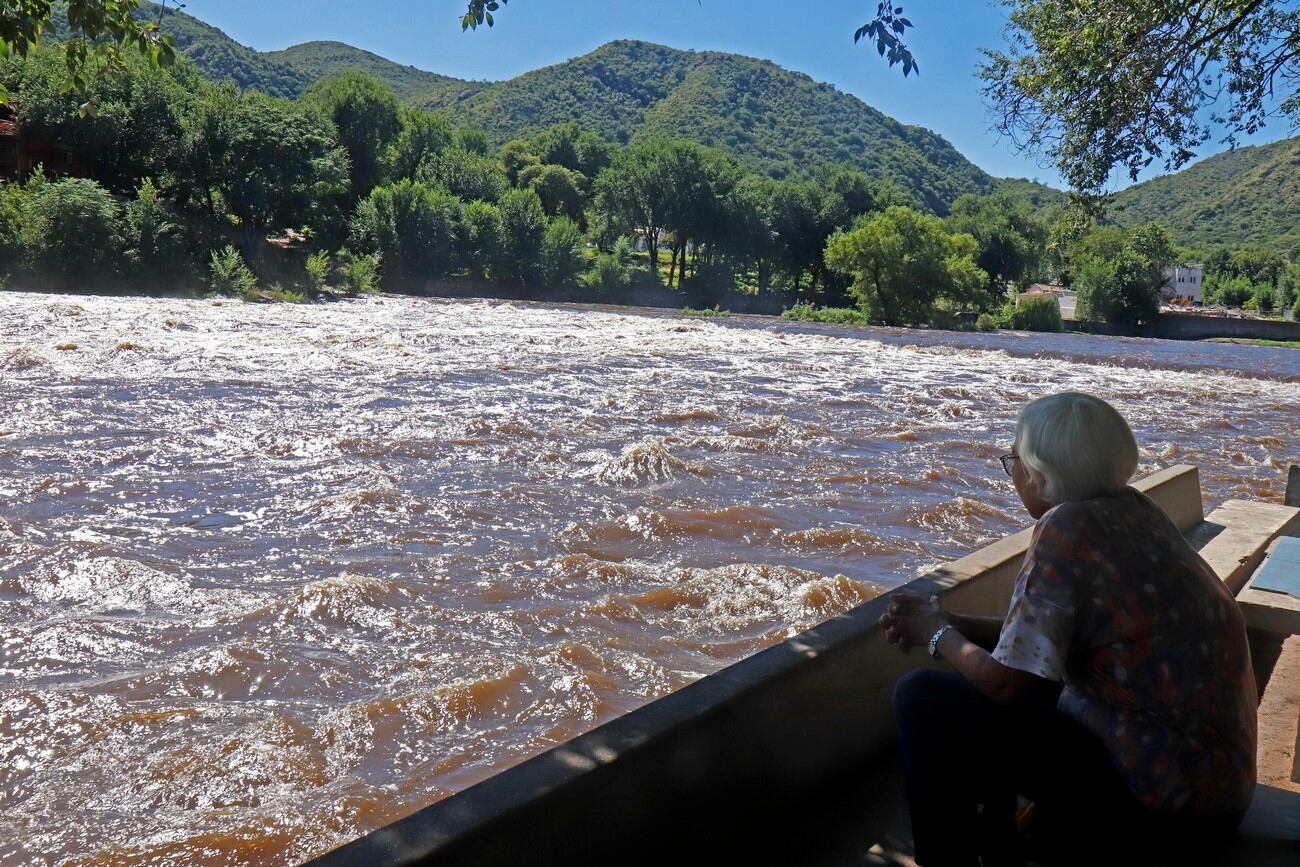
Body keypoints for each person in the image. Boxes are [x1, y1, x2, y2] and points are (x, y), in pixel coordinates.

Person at [879, 392, 1257, 867]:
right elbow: (1043, 641)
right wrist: (958, 624)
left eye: (1013, 459)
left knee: (923, 697)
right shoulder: (1134, 511)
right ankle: (1000, 847)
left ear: (1039, 473)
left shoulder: (1067, 528)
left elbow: (1007, 684)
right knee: (997, 692)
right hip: (1215, 793)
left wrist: (934, 633)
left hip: (1163, 814)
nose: (1012, 473)